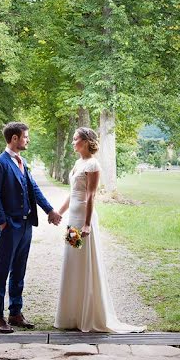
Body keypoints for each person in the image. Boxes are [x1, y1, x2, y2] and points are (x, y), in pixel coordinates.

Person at [54, 127, 146, 333]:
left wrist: (87, 224)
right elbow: (73, 193)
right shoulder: (78, 163)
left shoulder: (93, 164)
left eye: (75, 139)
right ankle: (72, 314)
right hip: (72, 219)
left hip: (83, 220)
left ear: (86, 142)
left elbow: (91, 196)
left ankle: (89, 313)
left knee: (84, 262)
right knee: (72, 261)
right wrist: (59, 212)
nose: (72, 142)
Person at [0, 122, 62, 333]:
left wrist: (50, 210)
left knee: (19, 270)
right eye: (25, 137)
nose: (27, 140)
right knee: (2, 272)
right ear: (14, 139)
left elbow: (33, 189)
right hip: (8, 227)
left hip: (26, 225)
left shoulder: (23, 161)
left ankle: (15, 313)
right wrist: (3, 223)